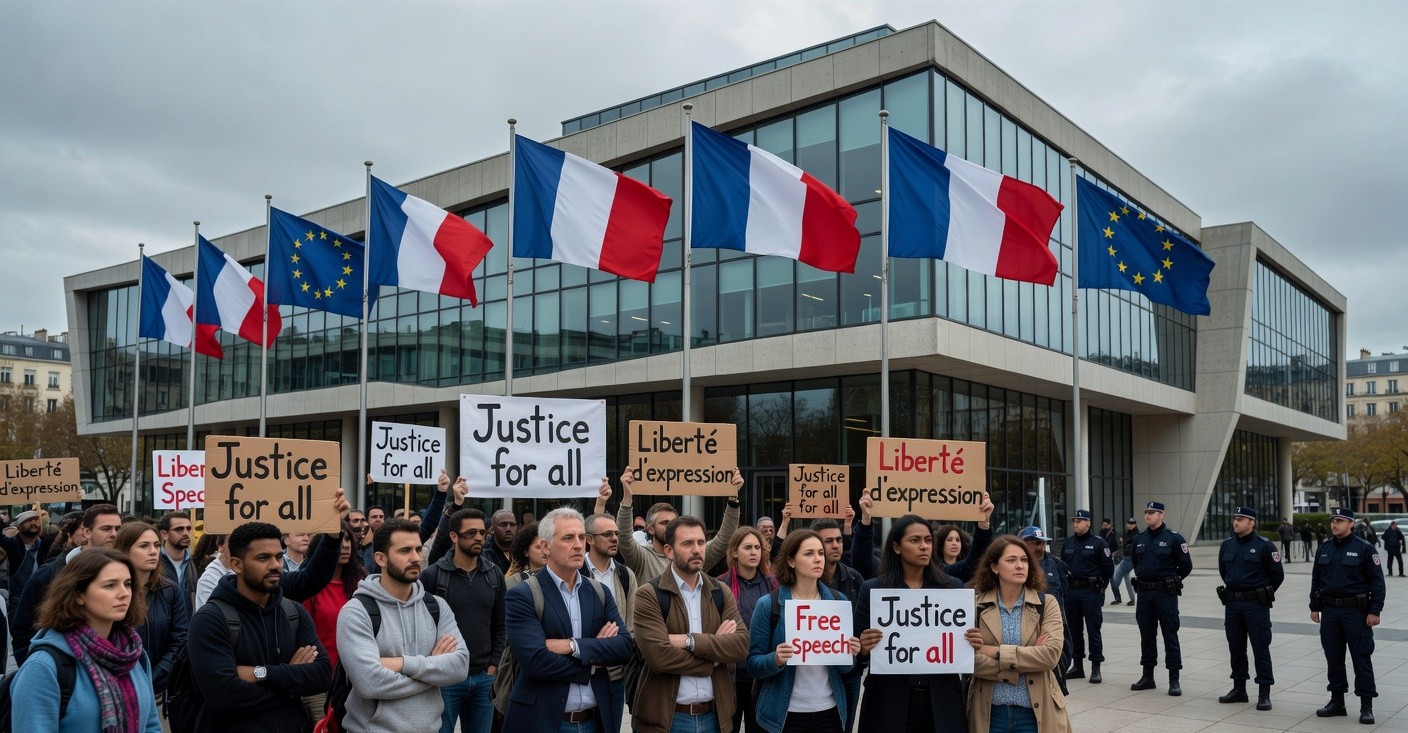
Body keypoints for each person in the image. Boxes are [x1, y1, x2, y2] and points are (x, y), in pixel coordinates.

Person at [855, 495, 995, 733]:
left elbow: (975, 563)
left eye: (928, 540)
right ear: (897, 547)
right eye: (915, 540)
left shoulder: (950, 587)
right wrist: (863, 648)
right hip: (888, 703)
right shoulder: (874, 590)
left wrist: (972, 641)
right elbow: (856, 650)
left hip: (941, 702)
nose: (924, 546)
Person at [187, 521, 332, 732]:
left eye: (279, 556)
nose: (276, 565)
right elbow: (224, 697)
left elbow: (321, 675)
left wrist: (260, 673)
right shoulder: (210, 619)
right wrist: (292, 681)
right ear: (237, 565)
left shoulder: (294, 613)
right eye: (263, 558)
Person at [502, 507, 634, 733]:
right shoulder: (523, 594)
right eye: (568, 538)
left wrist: (571, 645)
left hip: (596, 721)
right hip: (545, 721)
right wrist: (593, 661)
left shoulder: (598, 592)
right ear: (545, 547)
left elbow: (623, 647)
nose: (578, 544)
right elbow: (535, 662)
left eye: (582, 537)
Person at [9, 548, 163, 732]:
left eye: (128, 584)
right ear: (79, 595)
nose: (124, 593)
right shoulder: (43, 667)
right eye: (110, 585)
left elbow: (151, 725)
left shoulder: (133, 655)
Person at [337, 518, 468, 733]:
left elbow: (460, 666)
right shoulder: (357, 611)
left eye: (418, 549)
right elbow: (369, 683)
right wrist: (433, 672)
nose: (416, 557)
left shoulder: (436, 606)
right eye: (405, 551)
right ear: (380, 558)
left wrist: (401, 663)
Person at [631, 515, 750, 733]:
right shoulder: (649, 594)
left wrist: (689, 640)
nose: (697, 550)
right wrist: (713, 660)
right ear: (669, 551)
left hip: (715, 718)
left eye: (701, 542)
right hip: (669, 720)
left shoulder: (720, 591)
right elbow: (658, 657)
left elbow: (741, 645)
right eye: (687, 543)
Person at [747, 530, 859, 733]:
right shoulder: (768, 605)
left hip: (829, 713)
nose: (818, 559)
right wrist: (776, 659)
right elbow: (753, 664)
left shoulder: (838, 601)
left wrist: (850, 653)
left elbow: (846, 669)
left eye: (820, 553)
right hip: (785, 715)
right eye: (809, 554)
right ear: (791, 561)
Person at [964, 535, 1068, 733]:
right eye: (1011, 560)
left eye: (1024, 560)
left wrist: (995, 652)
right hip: (990, 713)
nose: (1020, 565)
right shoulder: (974, 606)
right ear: (994, 567)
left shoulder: (1046, 604)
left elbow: (1049, 656)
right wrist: (1024, 661)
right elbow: (968, 660)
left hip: (1035, 713)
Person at [422, 499, 507, 733]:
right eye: (471, 533)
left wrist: (493, 666)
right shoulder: (433, 576)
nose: (479, 538)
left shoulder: (494, 574)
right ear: (453, 536)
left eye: (482, 532)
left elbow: (501, 625)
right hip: (445, 680)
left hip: (483, 679)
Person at [13, 503, 123, 664]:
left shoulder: (124, 573)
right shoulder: (48, 575)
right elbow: (22, 630)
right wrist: (37, 667)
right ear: (87, 532)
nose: (114, 534)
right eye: (106, 528)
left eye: (118, 529)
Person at [1310, 507, 1386, 724]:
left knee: (1360, 656)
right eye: (1333, 520)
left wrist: (1375, 611)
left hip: (1356, 612)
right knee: (1333, 657)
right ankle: (1337, 701)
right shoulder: (1324, 548)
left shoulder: (1365, 549)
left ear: (1351, 524)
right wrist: (1314, 606)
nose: (1334, 524)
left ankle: (1366, 705)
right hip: (1330, 611)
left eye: (1340, 521)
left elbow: (1377, 582)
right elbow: (1316, 580)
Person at [616, 468, 744, 581]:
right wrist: (627, 497)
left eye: (674, 522)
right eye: (664, 523)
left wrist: (733, 500)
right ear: (650, 529)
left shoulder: (694, 553)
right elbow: (625, 538)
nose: (671, 526)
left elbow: (724, 539)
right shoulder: (642, 557)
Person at [1216, 506, 1284, 711]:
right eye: (1235, 518)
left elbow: (1277, 575)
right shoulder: (1227, 545)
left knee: (1260, 647)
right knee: (1236, 647)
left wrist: (1261, 593)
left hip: (1256, 604)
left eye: (1241, 519)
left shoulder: (1265, 546)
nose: (1236, 522)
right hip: (1233, 604)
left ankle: (1264, 693)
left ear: (1252, 522)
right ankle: (1239, 689)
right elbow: (1224, 571)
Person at [115, 521, 189, 698]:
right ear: (124, 550)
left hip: (159, 690)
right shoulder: (112, 591)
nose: (153, 551)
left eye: (157, 545)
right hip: (119, 689)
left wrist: (155, 676)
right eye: (144, 546)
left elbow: (180, 639)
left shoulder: (169, 590)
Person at [1128, 501, 1193, 696]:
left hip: (1166, 594)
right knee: (1146, 635)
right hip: (1145, 594)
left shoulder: (1174, 538)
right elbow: (1135, 561)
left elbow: (1186, 566)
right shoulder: (1139, 538)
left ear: (1161, 515)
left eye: (1152, 513)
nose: (1148, 516)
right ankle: (1148, 676)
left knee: (1170, 635)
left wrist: (1174, 580)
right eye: (1146, 512)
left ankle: (1174, 679)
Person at [583, 506, 638, 732]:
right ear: (589, 539)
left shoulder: (625, 575)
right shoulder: (575, 572)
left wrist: (612, 651)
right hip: (579, 673)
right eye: (607, 534)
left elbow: (632, 627)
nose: (615, 538)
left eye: (616, 533)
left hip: (615, 676)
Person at [717, 527, 776, 733]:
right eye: (748, 547)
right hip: (730, 674)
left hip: (761, 673)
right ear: (734, 552)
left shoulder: (772, 584)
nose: (754, 552)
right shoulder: (720, 585)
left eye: (757, 547)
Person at [301, 524, 366, 670]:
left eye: (348, 539)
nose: (345, 545)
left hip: (358, 674)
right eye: (340, 539)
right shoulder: (309, 586)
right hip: (321, 676)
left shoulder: (362, 583)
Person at [1059, 510, 1113, 683]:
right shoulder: (1068, 542)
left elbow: (1108, 569)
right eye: (1074, 521)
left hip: (1090, 592)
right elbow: (1062, 567)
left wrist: (1100, 587)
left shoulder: (1098, 543)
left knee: (1093, 630)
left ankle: (1096, 668)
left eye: (1080, 521)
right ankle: (1077, 666)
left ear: (1088, 523)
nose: (1076, 524)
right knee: (1074, 630)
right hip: (1072, 592)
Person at [1018, 527, 1070, 685]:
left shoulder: (1056, 565)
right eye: (1034, 543)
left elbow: (1064, 593)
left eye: (1042, 543)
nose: (1040, 547)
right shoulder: (1017, 568)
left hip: (1051, 627)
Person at [156, 510, 197, 609]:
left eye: (188, 529)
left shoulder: (193, 562)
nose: (186, 533)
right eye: (179, 529)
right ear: (164, 534)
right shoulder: (154, 562)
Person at [504, 520, 545, 586]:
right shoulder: (513, 582)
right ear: (526, 552)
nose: (545, 551)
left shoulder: (562, 578)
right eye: (538, 547)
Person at [1109, 518, 1138, 606]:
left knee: (1115, 579)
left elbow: (1131, 545)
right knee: (1126, 578)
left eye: (1131, 524)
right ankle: (1132, 600)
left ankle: (1118, 597)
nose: (1129, 525)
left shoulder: (1135, 534)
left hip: (1128, 558)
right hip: (1128, 557)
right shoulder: (1129, 533)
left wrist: (1124, 543)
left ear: (1135, 525)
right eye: (1129, 523)